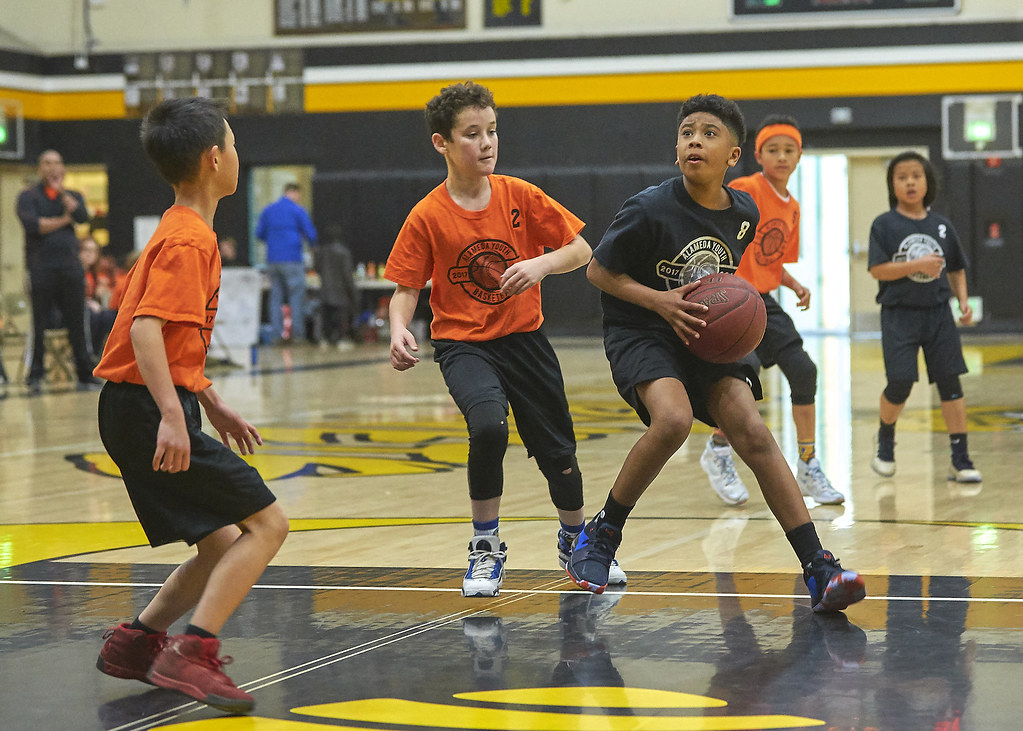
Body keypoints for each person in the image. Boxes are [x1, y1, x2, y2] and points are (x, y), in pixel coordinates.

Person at [568, 93, 864, 614]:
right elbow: (598, 271)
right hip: (644, 329)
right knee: (673, 420)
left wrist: (741, 317)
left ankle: (819, 568)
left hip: (704, 334)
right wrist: (660, 301)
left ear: (733, 155)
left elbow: (724, 281)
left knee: (752, 430)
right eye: (687, 133)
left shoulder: (744, 212)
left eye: (709, 133)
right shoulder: (649, 207)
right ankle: (602, 533)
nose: (694, 141)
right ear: (676, 148)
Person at [385, 81, 626, 598]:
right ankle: (485, 547)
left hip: (525, 340)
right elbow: (406, 288)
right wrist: (398, 327)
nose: (487, 143)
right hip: (464, 345)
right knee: (488, 427)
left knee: (559, 452)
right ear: (442, 143)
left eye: (492, 131)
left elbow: (582, 249)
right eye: (472, 134)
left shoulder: (520, 195)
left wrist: (540, 265)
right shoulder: (427, 215)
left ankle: (576, 540)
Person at [93, 97, 289, 714]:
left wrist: (210, 399)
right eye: (232, 143)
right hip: (146, 410)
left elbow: (173, 340)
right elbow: (145, 331)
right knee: (268, 525)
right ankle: (193, 651)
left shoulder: (179, 228)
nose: (237, 154)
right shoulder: (190, 241)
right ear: (213, 159)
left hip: (136, 407)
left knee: (220, 542)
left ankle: (135, 644)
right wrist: (174, 416)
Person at [698, 115, 844, 507]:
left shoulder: (792, 207)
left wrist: (794, 284)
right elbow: (713, 223)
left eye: (788, 150)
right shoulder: (747, 189)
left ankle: (808, 464)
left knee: (804, 370)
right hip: (733, 299)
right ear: (758, 156)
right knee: (743, 379)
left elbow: (770, 260)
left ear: (799, 156)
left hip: (762, 299)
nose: (781, 157)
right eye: (773, 150)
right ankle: (718, 449)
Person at [867, 151, 981, 483]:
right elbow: (878, 270)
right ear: (892, 184)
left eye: (916, 176)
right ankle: (885, 438)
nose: (910, 182)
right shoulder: (884, 224)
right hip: (899, 314)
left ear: (928, 182)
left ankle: (960, 459)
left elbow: (956, 268)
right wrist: (916, 265)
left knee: (950, 383)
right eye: (902, 177)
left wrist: (963, 302)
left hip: (938, 314)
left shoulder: (941, 225)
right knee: (900, 382)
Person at [16, 149, 102, 393]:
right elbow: (34, 226)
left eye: (57, 163)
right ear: (39, 168)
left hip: (71, 269)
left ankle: (84, 374)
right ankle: (35, 376)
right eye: (47, 163)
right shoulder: (28, 196)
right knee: (40, 323)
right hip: (41, 268)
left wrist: (64, 195)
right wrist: (65, 220)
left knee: (77, 322)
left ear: (63, 168)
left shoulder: (72, 195)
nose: (52, 167)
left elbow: (83, 217)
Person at [256, 182, 317, 344]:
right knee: (296, 297)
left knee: (275, 297)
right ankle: (298, 336)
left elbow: (259, 234)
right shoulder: (298, 210)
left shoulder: (268, 210)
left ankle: (276, 336)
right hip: (292, 259)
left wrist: (274, 242)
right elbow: (311, 234)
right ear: (295, 193)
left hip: (273, 260)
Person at [315, 222, 358, 349]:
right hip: (340, 290)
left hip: (325, 289)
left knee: (326, 317)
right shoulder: (343, 253)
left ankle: (325, 339)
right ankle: (341, 339)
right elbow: (347, 274)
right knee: (340, 317)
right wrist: (353, 292)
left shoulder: (321, 252)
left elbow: (317, 268)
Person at [79, 235, 117, 357]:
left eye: (94, 251)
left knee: (114, 316)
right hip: (78, 312)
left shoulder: (93, 274)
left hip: (93, 311)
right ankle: (90, 354)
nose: (91, 254)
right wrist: (88, 302)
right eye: (87, 250)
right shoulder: (75, 272)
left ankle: (105, 354)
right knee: (94, 317)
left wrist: (99, 293)